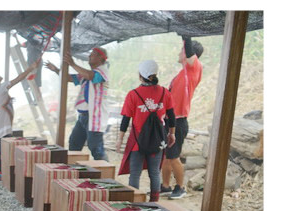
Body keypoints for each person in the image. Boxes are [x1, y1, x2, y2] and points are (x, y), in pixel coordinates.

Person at [114, 60, 176, 202]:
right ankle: (154, 203)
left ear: (140, 75)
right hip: (158, 141)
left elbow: (125, 120)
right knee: (154, 173)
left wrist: (120, 139)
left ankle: (133, 203)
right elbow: (171, 116)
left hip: (137, 142)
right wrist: (171, 134)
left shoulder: (133, 94)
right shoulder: (165, 93)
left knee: (135, 174)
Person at [0, 58, 41, 180]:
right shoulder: (0, 88)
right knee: (1, 149)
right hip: (1, 124)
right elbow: (18, 79)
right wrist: (30, 68)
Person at [45, 47, 110, 160]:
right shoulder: (87, 74)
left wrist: (72, 63)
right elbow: (71, 78)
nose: (89, 56)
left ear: (101, 58)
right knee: (74, 143)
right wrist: (56, 70)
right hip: (83, 116)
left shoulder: (103, 70)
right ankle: (75, 169)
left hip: (94, 116)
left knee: (96, 147)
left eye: (93, 54)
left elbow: (91, 76)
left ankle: (106, 171)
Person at [161, 36, 204, 199]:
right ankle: (165, 186)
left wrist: (186, 35)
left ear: (188, 53)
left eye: (182, 50)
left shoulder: (194, 69)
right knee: (167, 156)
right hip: (169, 120)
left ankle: (181, 188)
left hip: (178, 122)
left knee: (173, 157)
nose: (179, 52)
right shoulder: (182, 73)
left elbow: (190, 51)